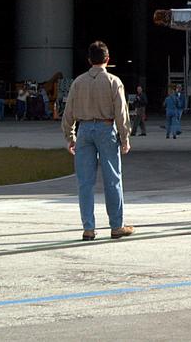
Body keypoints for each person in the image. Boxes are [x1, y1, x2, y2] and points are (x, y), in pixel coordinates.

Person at [61, 40, 134, 241]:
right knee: (112, 179)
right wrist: (125, 138)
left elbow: (68, 113)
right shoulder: (113, 81)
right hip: (105, 128)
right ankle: (116, 226)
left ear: (89, 60)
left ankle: (88, 228)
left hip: (84, 130)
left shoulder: (78, 82)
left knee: (85, 182)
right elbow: (121, 113)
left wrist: (70, 136)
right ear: (107, 60)